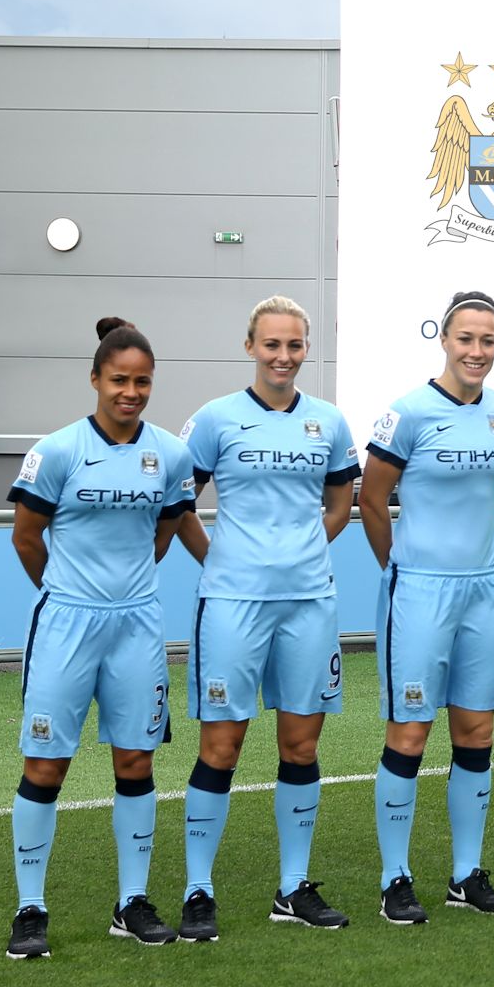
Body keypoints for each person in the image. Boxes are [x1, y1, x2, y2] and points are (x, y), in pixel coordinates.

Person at [4, 317, 196, 959]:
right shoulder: (57, 451)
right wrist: (66, 591)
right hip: (66, 622)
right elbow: (26, 537)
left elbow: (164, 532)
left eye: (142, 382)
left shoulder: (170, 453)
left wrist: (124, 591)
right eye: (119, 380)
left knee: (136, 762)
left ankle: (132, 902)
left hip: (137, 624)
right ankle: (30, 908)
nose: (131, 392)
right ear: (95, 379)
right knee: (45, 765)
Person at [170, 296, 360, 941]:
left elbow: (342, 499)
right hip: (232, 605)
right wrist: (217, 558)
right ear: (251, 345)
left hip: (308, 602)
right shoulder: (215, 421)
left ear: (308, 349)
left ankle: (292, 887)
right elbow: (180, 504)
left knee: (300, 745)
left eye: (295, 345)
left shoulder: (329, 422)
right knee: (222, 746)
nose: (284, 357)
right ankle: (199, 888)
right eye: (272, 344)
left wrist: (306, 551)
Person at [359, 290, 494, 923]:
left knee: (477, 731)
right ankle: (394, 878)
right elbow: (372, 500)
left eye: (487, 340)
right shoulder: (408, 414)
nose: (477, 351)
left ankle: (465, 874)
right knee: (410, 731)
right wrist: (399, 571)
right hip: (420, 590)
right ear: (445, 340)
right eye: (466, 339)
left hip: (485, 589)